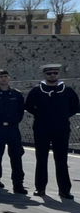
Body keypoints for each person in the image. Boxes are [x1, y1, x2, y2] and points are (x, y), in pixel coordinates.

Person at [25, 64, 79, 199]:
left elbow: (75, 107)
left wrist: (63, 115)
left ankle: (64, 190)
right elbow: (29, 106)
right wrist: (41, 115)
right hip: (41, 129)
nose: (52, 76)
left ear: (58, 74)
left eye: (55, 73)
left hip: (61, 129)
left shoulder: (67, 91)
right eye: (49, 74)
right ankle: (40, 188)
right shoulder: (37, 91)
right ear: (45, 75)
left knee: (61, 160)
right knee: (41, 159)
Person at [0, 70, 27, 194]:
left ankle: (18, 184)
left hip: (12, 129)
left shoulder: (16, 94)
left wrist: (14, 122)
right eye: (1, 77)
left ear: (9, 78)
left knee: (16, 157)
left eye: (5, 77)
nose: (3, 79)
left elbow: (21, 111)